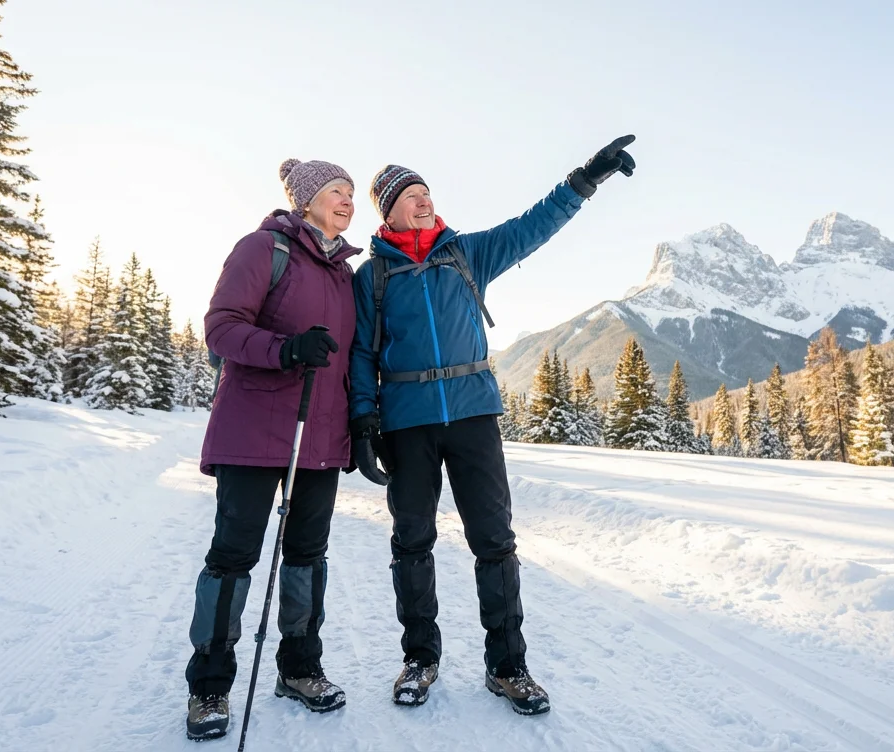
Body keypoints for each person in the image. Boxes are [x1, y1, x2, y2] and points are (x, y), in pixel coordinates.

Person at [348, 136, 637, 715]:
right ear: (389, 210)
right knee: (412, 542)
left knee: (495, 542)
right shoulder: (373, 276)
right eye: (411, 195)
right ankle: (420, 658)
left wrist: (585, 178)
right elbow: (359, 352)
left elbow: (534, 225)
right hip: (407, 424)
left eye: (428, 191)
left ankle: (507, 666)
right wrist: (362, 419)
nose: (424, 200)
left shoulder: (467, 253)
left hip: (474, 414)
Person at [184, 159, 361, 740]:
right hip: (254, 433)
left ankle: (299, 670)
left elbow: (349, 364)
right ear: (307, 199)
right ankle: (210, 687)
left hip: (321, 437)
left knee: (308, 555)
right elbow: (221, 328)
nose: (347, 200)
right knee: (234, 557)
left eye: (352, 194)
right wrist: (286, 350)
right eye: (337, 190)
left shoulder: (344, 274)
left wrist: (362, 425)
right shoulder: (263, 249)